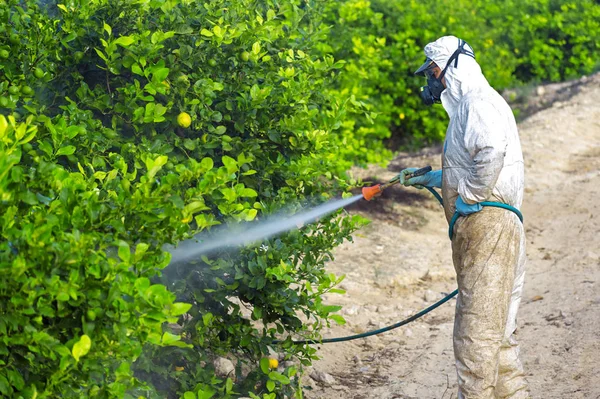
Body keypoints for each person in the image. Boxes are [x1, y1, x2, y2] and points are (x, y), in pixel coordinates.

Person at [399, 36, 530, 398]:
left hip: (488, 225)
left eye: (434, 71)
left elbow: (491, 153)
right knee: (498, 336)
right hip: (499, 224)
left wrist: (469, 198)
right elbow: (479, 161)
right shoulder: (481, 103)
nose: (433, 80)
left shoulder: (476, 102)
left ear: (451, 67)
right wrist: (437, 179)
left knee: (475, 338)